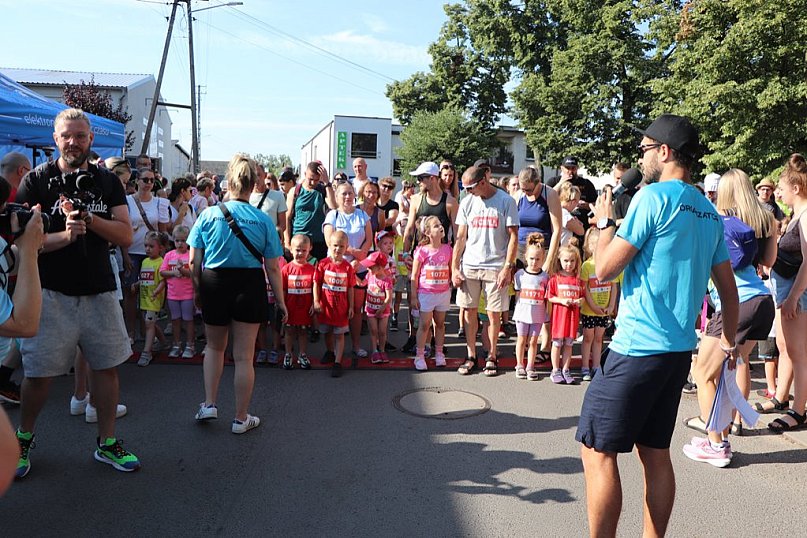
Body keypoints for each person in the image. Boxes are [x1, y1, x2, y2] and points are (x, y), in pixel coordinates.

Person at [576, 114, 739, 537]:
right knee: (654, 452)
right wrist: (727, 341)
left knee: (597, 452)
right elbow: (728, 288)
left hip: (636, 348)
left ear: (665, 152)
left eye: (645, 148)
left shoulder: (654, 199)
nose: (640, 156)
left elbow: (605, 270)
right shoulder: (707, 209)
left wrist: (605, 222)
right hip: (675, 353)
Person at [16, 108, 141, 477]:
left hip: (100, 290)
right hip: (49, 293)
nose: (74, 142)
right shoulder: (37, 181)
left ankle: (106, 443)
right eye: (67, 136)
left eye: (81, 136)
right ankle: (23, 440)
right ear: (55, 139)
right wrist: (65, 236)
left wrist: (89, 220)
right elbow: (24, 243)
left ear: (91, 139)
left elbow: (125, 235)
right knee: (37, 375)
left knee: (106, 369)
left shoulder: (107, 181)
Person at [682, 168, 776, 465]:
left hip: (738, 304)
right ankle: (720, 432)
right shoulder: (764, 219)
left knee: (703, 374)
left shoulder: (716, 222)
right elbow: (768, 262)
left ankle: (716, 444)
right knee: (725, 373)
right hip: (762, 301)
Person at [189, 153, 287, 435]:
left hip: (214, 282)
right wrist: (280, 302)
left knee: (214, 348)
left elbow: (195, 261)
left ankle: (209, 404)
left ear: (228, 181)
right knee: (244, 356)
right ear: (252, 183)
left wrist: (198, 289)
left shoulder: (208, 214)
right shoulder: (262, 219)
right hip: (249, 284)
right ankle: (241, 418)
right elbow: (273, 267)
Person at [452, 166, 519, 377]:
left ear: (483, 182)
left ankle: (491, 355)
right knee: (469, 311)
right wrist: (454, 267)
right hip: (470, 265)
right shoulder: (467, 202)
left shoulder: (506, 201)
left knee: (493, 314)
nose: (467, 191)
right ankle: (471, 355)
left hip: (495, 267)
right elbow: (461, 237)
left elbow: (513, 238)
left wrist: (508, 267)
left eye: (470, 187)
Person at [765, 154, 807, 433]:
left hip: (796, 295)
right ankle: (785, 399)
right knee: (789, 350)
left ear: (796, 188)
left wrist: (793, 296)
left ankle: (798, 410)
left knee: (798, 353)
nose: (779, 192)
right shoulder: (797, 216)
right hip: (789, 293)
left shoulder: (805, 216)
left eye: (781, 186)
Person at [323, 181, 372, 359]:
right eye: (343, 193)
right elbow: (330, 240)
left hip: (358, 267)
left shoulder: (362, 215)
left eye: (350, 193)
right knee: (334, 307)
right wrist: (352, 252)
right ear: (336, 197)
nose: (348, 197)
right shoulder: (332, 216)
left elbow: (369, 240)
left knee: (356, 309)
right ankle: (331, 350)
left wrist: (360, 258)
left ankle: (356, 345)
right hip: (337, 268)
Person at [122, 167, 169, 343]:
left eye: (152, 180)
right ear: (137, 181)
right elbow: (122, 228)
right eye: (145, 180)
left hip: (153, 256)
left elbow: (163, 233)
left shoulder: (160, 203)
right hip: (132, 251)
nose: (149, 183)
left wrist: (164, 258)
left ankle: (147, 331)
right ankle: (131, 332)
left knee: (149, 294)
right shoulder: (127, 201)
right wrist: (125, 255)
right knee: (131, 292)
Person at [410, 216, 452, 371]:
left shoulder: (448, 249)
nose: (440, 227)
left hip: (443, 293)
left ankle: (439, 353)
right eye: (436, 226)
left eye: (440, 224)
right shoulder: (422, 251)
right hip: (426, 294)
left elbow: (451, 269)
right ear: (427, 232)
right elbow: (414, 275)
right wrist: (414, 296)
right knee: (424, 325)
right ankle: (419, 356)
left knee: (440, 324)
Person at [313, 230, 356, 378]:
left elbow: (350, 287)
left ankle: (338, 362)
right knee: (327, 331)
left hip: (341, 308)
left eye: (341, 246)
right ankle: (330, 352)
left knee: (339, 334)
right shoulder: (323, 264)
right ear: (330, 245)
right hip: (326, 306)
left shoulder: (348, 267)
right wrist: (316, 301)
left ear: (346, 247)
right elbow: (316, 283)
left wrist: (351, 306)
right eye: (335, 246)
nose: (338, 249)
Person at [580, 228, 619, 382]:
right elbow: (585, 289)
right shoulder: (587, 266)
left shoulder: (610, 265)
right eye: (594, 244)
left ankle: (596, 365)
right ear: (589, 246)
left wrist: (611, 306)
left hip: (604, 310)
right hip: (590, 311)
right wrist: (593, 307)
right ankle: (584, 366)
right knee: (588, 337)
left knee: (598, 338)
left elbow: (614, 286)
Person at [512, 233, 548, 381]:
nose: (534, 262)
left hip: (538, 315)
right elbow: (517, 293)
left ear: (543, 258)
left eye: (538, 259)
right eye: (532, 258)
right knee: (521, 339)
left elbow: (546, 296)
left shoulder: (545, 277)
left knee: (533, 341)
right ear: (526, 256)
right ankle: (519, 364)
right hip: (522, 314)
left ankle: (530, 366)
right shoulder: (520, 275)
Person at [547, 242, 584, 384]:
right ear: (560, 261)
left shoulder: (578, 280)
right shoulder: (555, 279)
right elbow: (550, 296)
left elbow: (582, 297)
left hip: (572, 318)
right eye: (566, 261)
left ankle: (566, 369)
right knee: (557, 344)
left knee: (569, 344)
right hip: (559, 318)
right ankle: (555, 369)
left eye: (572, 261)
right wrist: (562, 301)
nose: (569, 264)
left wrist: (580, 301)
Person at [286, 162, 337, 261]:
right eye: (310, 179)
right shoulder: (295, 191)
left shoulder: (322, 190)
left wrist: (327, 183)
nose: (313, 182)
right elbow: (287, 217)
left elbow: (333, 206)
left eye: (316, 180)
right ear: (305, 174)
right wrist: (287, 243)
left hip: (318, 241)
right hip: (299, 239)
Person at [160, 225, 196, 359]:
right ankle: (176, 345)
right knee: (175, 320)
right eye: (177, 240)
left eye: (183, 240)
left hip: (187, 294)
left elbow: (193, 273)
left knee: (188, 320)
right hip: (172, 295)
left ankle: (190, 345)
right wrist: (174, 272)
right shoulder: (169, 255)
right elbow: (162, 272)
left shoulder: (191, 254)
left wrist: (182, 271)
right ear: (173, 240)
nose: (180, 243)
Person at [281, 234, 316, 369]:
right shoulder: (286, 269)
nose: (300, 253)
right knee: (289, 331)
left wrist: (314, 303)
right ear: (291, 249)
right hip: (290, 307)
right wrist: (282, 305)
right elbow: (283, 289)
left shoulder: (312, 269)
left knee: (303, 331)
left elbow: (314, 289)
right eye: (297, 250)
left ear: (309, 250)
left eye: (304, 250)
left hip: (305, 308)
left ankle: (302, 354)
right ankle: (288, 354)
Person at [134, 231, 167, 366]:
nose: (148, 249)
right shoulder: (145, 261)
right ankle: (163, 342)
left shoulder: (161, 262)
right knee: (150, 323)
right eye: (146, 246)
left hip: (154, 299)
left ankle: (146, 352)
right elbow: (143, 277)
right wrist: (136, 284)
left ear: (160, 248)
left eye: (151, 246)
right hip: (144, 298)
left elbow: (163, 280)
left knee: (149, 324)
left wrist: (157, 292)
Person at [361, 251, 393, 364]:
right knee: (374, 331)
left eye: (370, 267)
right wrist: (352, 275)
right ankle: (374, 350)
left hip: (383, 311)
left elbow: (389, 298)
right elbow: (362, 284)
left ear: (379, 267)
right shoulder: (370, 275)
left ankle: (382, 350)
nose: (368, 270)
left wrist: (382, 309)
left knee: (382, 331)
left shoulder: (387, 280)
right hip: (370, 308)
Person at [550, 156, 597, 226]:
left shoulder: (586, 184)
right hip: (560, 224)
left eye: (573, 168)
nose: (570, 171)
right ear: (562, 168)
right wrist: (561, 182)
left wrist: (586, 205)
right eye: (568, 168)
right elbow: (548, 197)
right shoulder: (554, 181)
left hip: (582, 223)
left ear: (577, 168)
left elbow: (596, 204)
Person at [250, 164, 287, 240]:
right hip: (252, 242)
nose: (256, 179)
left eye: (258, 175)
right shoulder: (245, 197)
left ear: (265, 175)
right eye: (252, 176)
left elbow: (283, 225)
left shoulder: (278, 196)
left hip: (270, 242)